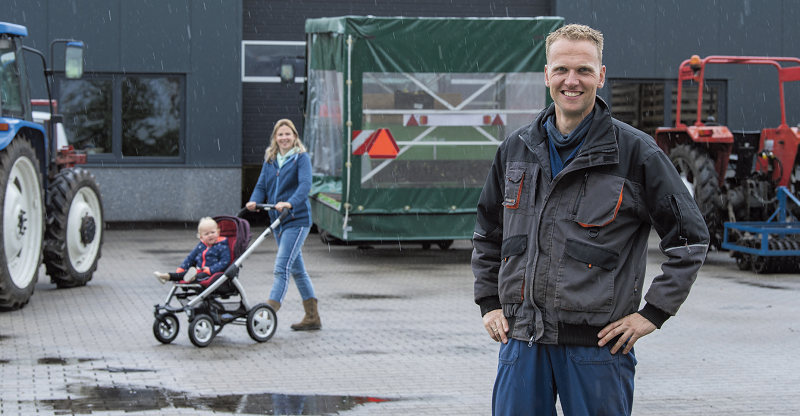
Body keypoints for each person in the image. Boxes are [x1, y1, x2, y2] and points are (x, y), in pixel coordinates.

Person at [472, 24, 709, 416]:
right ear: (546, 74)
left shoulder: (637, 154)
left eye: (583, 70)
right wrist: (489, 303)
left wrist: (653, 313)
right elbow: (487, 233)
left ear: (601, 75)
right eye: (562, 69)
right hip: (522, 342)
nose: (572, 80)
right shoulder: (516, 149)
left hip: (597, 350)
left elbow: (690, 239)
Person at [246, 118, 321, 331]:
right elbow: (261, 185)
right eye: (280, 135)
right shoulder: (270, 159)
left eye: (288, 134)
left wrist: (290, 202)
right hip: (277, 221)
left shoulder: (300, 158)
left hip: (296, 220)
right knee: (297, 269)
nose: (284, 138)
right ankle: (312, 317)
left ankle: (266, 314)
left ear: (295, 136)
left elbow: (305, 184)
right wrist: (254, 200)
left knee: (282, 268)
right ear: (275, 138)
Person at [155, 217, 231, 284]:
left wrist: (211, 269)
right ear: (201, 237)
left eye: (212, 232)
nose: (210, 235)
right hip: (198, 269)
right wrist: (182, 268)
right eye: (206, 234)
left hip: (211, 273)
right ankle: (166, 276)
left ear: (218, 232)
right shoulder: (201, 246)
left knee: (200, 276)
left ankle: (193, 278)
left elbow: (224, 261)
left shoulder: (222, 247)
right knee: (183, 274)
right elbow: (191, 257)